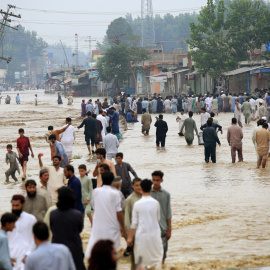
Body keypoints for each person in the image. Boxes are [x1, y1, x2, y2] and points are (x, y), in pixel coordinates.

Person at [85, 172, 125, 259]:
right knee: (111, 252)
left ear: (102, 179)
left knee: (97, 248)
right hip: (112, 225)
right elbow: (119, 212)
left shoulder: (96, 191)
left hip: (98, 224)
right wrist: (123, 226)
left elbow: (94, 206)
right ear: (112, 181)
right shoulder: (116, 193)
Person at [127, 179, 163, 269]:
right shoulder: (156, 203)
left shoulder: (137, 204)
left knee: (141, 261)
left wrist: (130, 237)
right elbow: (158, 219)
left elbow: (134, 223)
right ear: (151, 189)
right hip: (154, 234)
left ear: (141, 188)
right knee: (157, 259)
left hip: (142, 235)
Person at [50, 187, 85, 270]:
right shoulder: (77, 214)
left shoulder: (53, 214)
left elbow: (52, 228)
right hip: (74, 249)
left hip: (57, 249)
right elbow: (80, 229)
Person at [7, 195, 37, 270]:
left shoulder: (31, 219)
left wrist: (28, 254)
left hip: (26, 257)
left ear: (23, 204)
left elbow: (34, 239)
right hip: (11, 259)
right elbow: (4, 240)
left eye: (17, 205)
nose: (14, 208)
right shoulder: (7, 220)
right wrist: (6, 257)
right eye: (13, 205)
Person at [151, 171, 172, 264]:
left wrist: (169, 229)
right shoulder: (147, 194)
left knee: (163, 255)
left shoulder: (166, 194)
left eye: (157, 180)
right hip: (150, 229)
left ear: (161, 180)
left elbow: (168, 212)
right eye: (153, 180)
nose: (155, 182)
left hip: (163, 228)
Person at [124, 178, 142, 270]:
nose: (139, 187)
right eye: (137, 185)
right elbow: (126, 218)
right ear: (132, 186)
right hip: (135, 233)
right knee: (135, 259)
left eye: (140, 185)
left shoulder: (145, 197)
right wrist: (129, 236)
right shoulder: (130, 199)